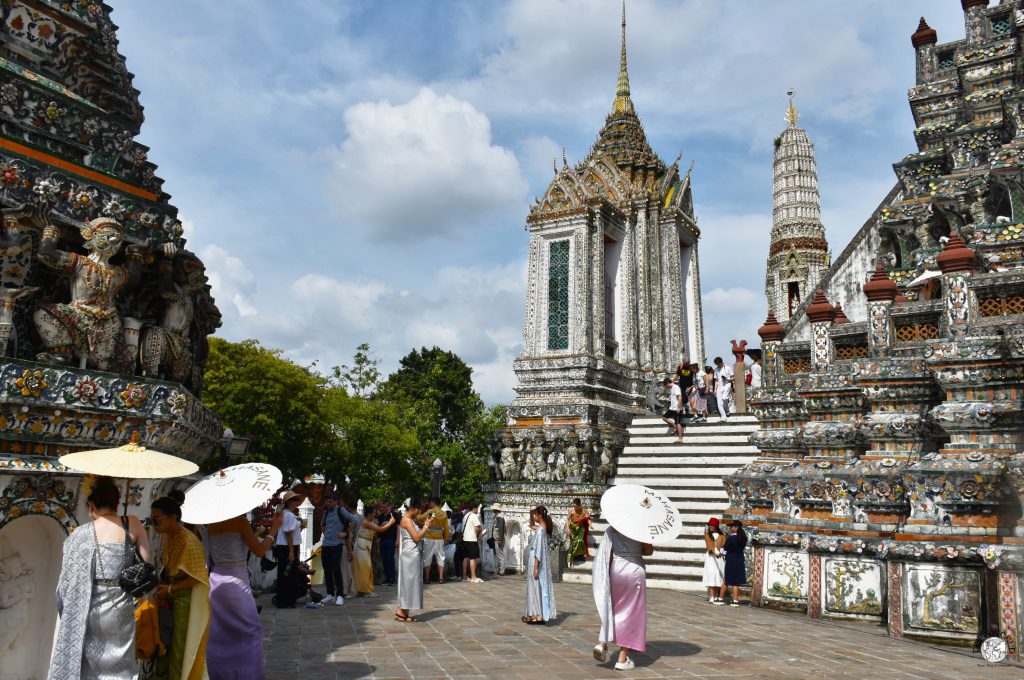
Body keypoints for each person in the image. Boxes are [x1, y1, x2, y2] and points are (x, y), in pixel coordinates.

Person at [49, 475, 151, 680]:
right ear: (117, 503)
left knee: (87, 666)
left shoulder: (79, 533)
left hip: (87, 609)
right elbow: (147, 566)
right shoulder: (132, 523)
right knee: (120, 666)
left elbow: (64, 586)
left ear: (91, 504)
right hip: (120, 607)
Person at [205, 511, 282, 680]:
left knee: (220, 633)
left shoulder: (211, 525)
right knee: (251, 630)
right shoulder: (240, 522)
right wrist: (274, 529)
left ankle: (221, 674)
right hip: (236, 582)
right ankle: (248, 675)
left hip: (216, 582)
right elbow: (260, 551)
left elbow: (208, 558)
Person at [150, 496, 210, 680]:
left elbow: (198, 578)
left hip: (185, 599)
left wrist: (170, 590)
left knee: (180, 649)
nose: (153, 525)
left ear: (173, 517)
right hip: (171, 593)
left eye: (156, 520)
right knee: (164, 645)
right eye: (151, 520)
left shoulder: (188, 541)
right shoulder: (170, 537)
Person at [592, 526, 653, 671]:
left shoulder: (612, 528)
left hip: (617, 569)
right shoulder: (641, 527)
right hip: (634, 569)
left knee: (613, 607)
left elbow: (608, 552)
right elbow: (648, 551)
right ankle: (622, 658)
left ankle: (602, 642)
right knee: (632, 613)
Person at [395, 499, 433, 622]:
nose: (419, 512)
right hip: (410, 555)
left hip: (413, 555)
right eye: (418, 509)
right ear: (412, 508)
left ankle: (404, 612)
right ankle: (401, 612)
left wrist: (425, 524)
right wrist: (426, 526)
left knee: (410, 584)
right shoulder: (406, 520)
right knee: (408, 584)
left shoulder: (410, 520)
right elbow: (416, 538)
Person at [351, 503, 396, 597]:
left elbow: (377, 530)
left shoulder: (370, 522)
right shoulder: (366, 522)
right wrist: (390, 523)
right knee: (364, 568)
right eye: (374, 513)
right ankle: (365, 590)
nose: (375, 514)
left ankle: (363, 590)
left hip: (365, 546)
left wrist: (386, 523)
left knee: (365, 568)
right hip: (361, 546)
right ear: (370, 513)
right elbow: (379, 530)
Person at [522, 506, 557, 625]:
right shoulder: (541, 529)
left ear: (540, 515)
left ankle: (537, 614)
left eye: (535, 514)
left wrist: (536, 567)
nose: (533, 516)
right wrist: (531, 514)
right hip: (534, 560)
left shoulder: (541, 531)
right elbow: (532, 525)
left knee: (535, 587)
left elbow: (539, 551)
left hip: (535, 561)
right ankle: (534, 614)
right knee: (535, 587)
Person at [273, 490, 303, 608]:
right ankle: (287, 601)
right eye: (294, 500)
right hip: (288, 547)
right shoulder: (289, 515)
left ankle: (284, 600)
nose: (296, 502)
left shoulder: (285, 514)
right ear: (289, 502)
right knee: (289, 574)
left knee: (284, 574)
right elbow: (288, 533)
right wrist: (291, 551)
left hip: (284, 546)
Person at [319, 494, 348, 606]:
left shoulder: (341, 510)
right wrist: (327, 534)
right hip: (326, 545)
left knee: (336, 570)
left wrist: (345, 533)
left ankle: (340, 595)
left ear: (336, 501)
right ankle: (330, 594)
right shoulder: (326, 513)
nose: (328, 504)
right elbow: (322, 525)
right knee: (327, 570)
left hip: (336, 545)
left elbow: (354, 520)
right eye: (326, 502)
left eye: (330, 502)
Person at [717, 520, 748, 607]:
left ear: (736, 527)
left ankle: (720, 599)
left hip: (731, 560)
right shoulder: (743, 538)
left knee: (726, 580)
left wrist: (718, 555)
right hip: (740, 559)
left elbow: (724, 550)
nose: (730, 528)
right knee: (736, 582)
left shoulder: (731, 538)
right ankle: (735, 601)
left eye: (732, 526)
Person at [419, 497, 450, 583]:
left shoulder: (430, 511)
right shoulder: (443, 513)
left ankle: (427, 578)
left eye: (430, 502)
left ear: (433, 503)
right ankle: (441, 578)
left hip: (429, 537)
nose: (429, 504)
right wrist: (446, 538)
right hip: (439, 538)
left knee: (427, 557)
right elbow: (446, 528)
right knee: (440, 558)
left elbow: (420, 518)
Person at [701, 518, 726, 604]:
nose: (710, 526)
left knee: (718, 576)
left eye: (712, 525)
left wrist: (721, 554)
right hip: (711, 557)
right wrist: (715, 553)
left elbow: (724, 547)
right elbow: (709, 546)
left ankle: (716, 595)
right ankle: (712, 596)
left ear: (716, 526)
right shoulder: (707, 535)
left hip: (720, 558)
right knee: (711, 574)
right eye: (709, 525)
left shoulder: (722, 536)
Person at [377, 502, 400, 585]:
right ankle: (387, 576)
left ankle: (392, 577)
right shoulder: (379, 516)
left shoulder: (394, 515)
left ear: (388, 506)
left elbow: (398, 527)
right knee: (384, 559)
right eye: (381, 507)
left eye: (384, 507)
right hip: (382, 540)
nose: (382, 508)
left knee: (390, 558)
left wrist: (397, 539)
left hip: (391, 539)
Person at [460, 501, 484, 583]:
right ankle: (473, 576)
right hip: (472, 539)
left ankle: (464, 576)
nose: (478, 509)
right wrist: (482, 530)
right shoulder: (474, 516)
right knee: (473, 558)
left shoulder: (466, 515)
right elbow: (477, 528)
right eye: (477, 508)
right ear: (474, 508)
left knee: (465, 557)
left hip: (465, 539)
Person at [566, 498, 591, 567]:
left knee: (580, 541)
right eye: (574, 506)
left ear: (579, 505)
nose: (575, 507)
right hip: (572, 528)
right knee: (573, 544)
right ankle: (572, 561)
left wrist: (590, 524)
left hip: (580, 528)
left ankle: (579, 554)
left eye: (576, 506)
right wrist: (567, 528)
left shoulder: (583, 510)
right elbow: (567, 519)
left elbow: (587, 518)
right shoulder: (571, 510)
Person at [660, 377, 683, 443]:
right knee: (664, 417)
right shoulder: (672, 388)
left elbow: (680, 397)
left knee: (678, 423)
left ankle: (680, 438)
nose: (666, 387)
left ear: (667, 383)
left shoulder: (676, 387)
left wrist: (678, 407)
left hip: (676, 408)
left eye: (666, 386)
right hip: (672, 408)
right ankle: (674, 427)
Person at [489, 503, 506, 576]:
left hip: (498, 539)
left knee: (500, 555)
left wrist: (500, 539)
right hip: (497, 538)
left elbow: (500, 529)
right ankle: (496, 570)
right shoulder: (498, 517)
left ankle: (502, 570)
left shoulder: (500, 518)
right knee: (497, 555)